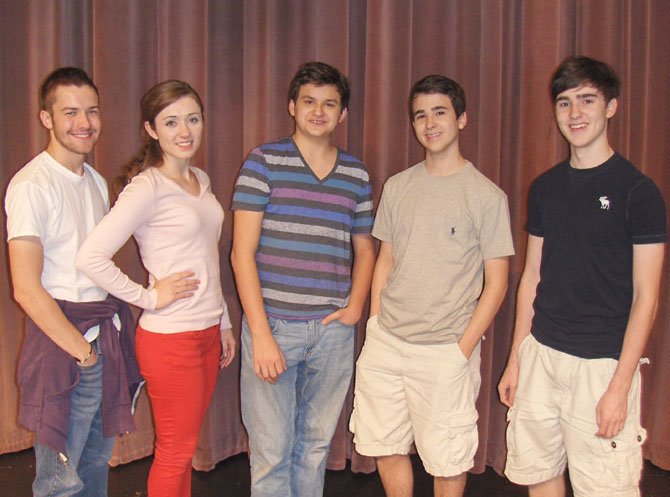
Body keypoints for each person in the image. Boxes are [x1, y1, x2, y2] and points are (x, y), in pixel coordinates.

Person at [498, 56, 666, 497]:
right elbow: (531, 277)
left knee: (605, 489)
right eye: (565, 102)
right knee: (540, 475)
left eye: (587, 100)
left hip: (600, 367)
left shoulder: (639, 192)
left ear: (611, 106)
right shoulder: (546, 187)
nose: (575, 114)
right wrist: (518, 357)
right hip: (542, 357)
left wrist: (620, 385)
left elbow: (647, 297)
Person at [349, 75, 514, 497]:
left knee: (447, 458)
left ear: (461, 118)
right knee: (384, 445)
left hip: (445, 350)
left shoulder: (486, 197)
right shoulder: (399, 187)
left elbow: (497, 283)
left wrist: (463, 348)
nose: (429, 123)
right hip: (387, 343)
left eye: (439, 112)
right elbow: (386, 257)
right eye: (420, 115)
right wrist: (375, 323)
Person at [76, 80, 235, 497]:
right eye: (171, 122)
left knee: (182, 450)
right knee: (175, 452)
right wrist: (148, 297)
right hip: (170, 341)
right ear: (152, 129)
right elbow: (91, 257)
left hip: (206, 334)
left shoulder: (200, 179)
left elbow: (206, 256)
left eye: (192, 119)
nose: (184, 131)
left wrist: (223, 322)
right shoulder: (147, 187)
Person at [230, 61, 376, 497]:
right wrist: (261, 334)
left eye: (329, 104)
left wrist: (355, 307)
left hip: (333, 333)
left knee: (314, 449)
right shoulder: (264, 161)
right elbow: (241, 254)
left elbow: (365, 248)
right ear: (292, 106)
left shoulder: (356, 174)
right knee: (272, 452)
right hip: (274, 326)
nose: (319, 111)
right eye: (309, 102)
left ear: (342, 113)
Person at [5, 67, 139, 497]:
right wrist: (83, 354)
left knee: (96, 468)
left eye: (92, 111)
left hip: (103, 341)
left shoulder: (97, 184)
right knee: (59, 483)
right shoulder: (31, 185)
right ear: (47, 118)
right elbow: (26, 288)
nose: (84, 123)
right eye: (70, 112)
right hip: (63, 351)